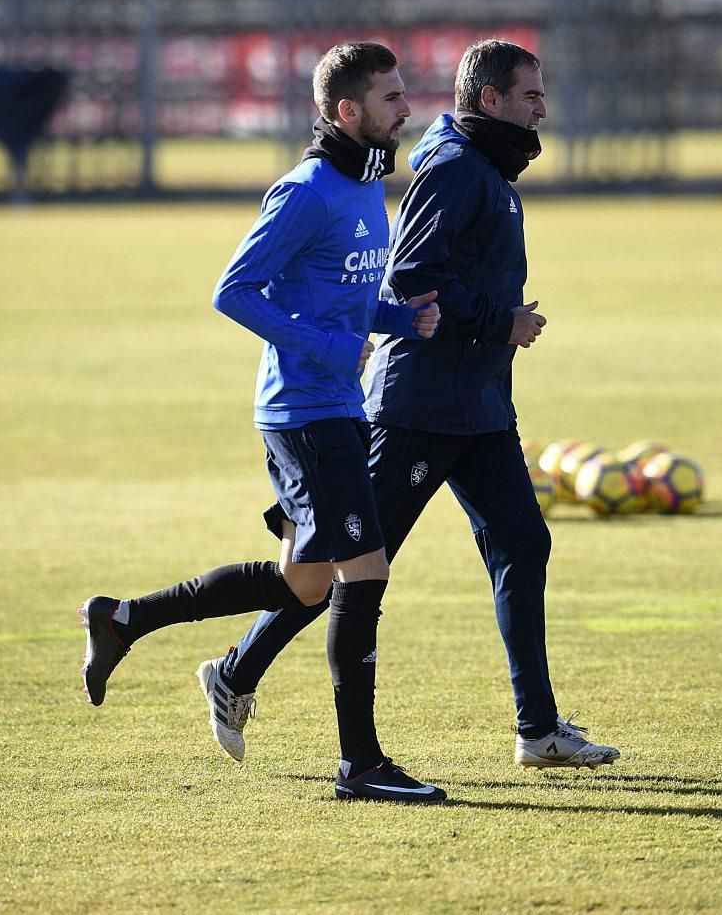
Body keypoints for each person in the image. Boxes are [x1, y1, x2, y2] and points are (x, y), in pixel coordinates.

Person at [205, 40, 621, 771]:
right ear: (490, 100)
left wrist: (497, 330)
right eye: (531, 95)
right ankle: (237, 674)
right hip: (421, 406)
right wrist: (503, 322)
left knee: (524, 545)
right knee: (351, 563)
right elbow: (411, 277)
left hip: (480, 403)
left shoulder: (483, 162)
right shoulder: (458, 168)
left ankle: (538, 729)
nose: (542, 108)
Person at [79, 41, 447, 804]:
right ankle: (361, 766)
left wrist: (399, 320)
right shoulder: (306, 190)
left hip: (336, 406)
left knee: (305, 585)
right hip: (303, 412)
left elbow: (338, 298)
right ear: (347, 112)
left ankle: (124, 619)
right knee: (365, 572)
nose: (406, 109)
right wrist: (332, 348)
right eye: (390, 99)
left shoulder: (366, 186)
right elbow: (234, 291)